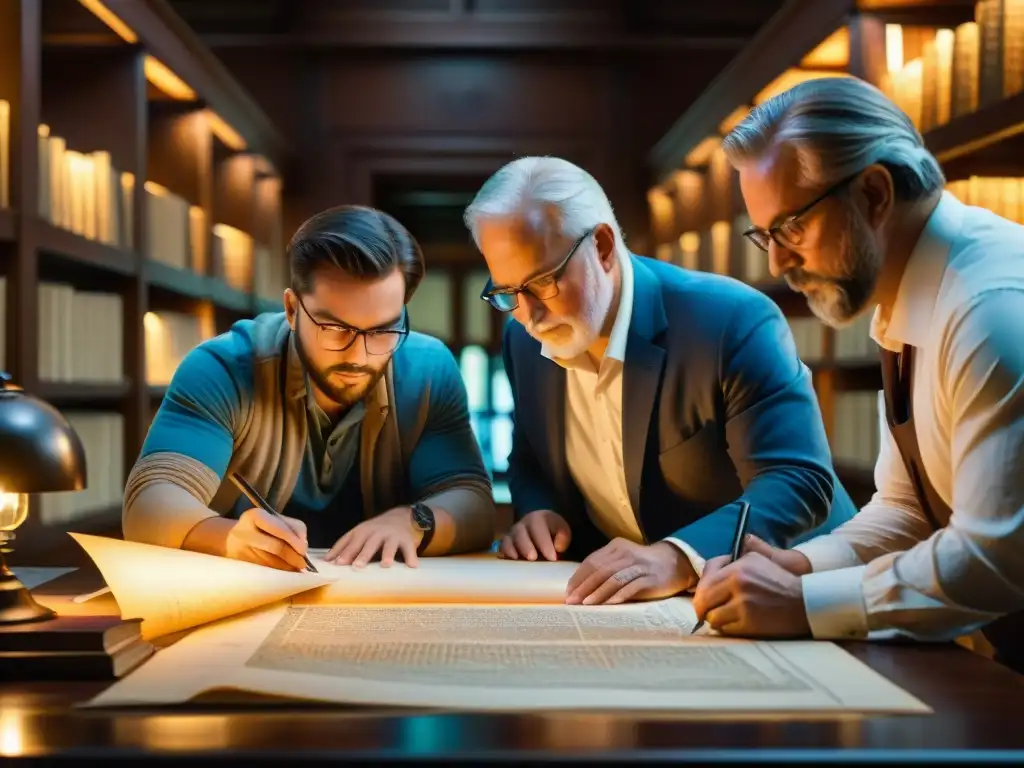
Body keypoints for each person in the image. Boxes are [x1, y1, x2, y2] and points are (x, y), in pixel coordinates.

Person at [691, 76, 1024, 674]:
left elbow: (996, 558)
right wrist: (806, 566)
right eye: (765, 234)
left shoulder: (991, 307)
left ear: (873, 194)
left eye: (791, 226)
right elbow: (908, 510)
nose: (777, 262)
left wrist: (804, 604)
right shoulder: (909, 297)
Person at [463, 156, 858, 607]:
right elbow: (533, 456)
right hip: (640, 611)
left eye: (543, 282)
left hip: (797, 593)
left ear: (604, 247)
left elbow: (797, 479)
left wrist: (678, 557)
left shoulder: (729, 319)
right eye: (507, 292)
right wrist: (540, 509)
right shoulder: (522, 340)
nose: (528, 315)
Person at [124, 205, 495, 571]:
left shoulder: (428, 370)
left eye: (382, 330)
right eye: (335, 328)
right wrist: (227, 537)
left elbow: (474, 504)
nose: (359, 355)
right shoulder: (223, 368)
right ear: (291, 308)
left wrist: (414, 521)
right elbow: (148, 504)